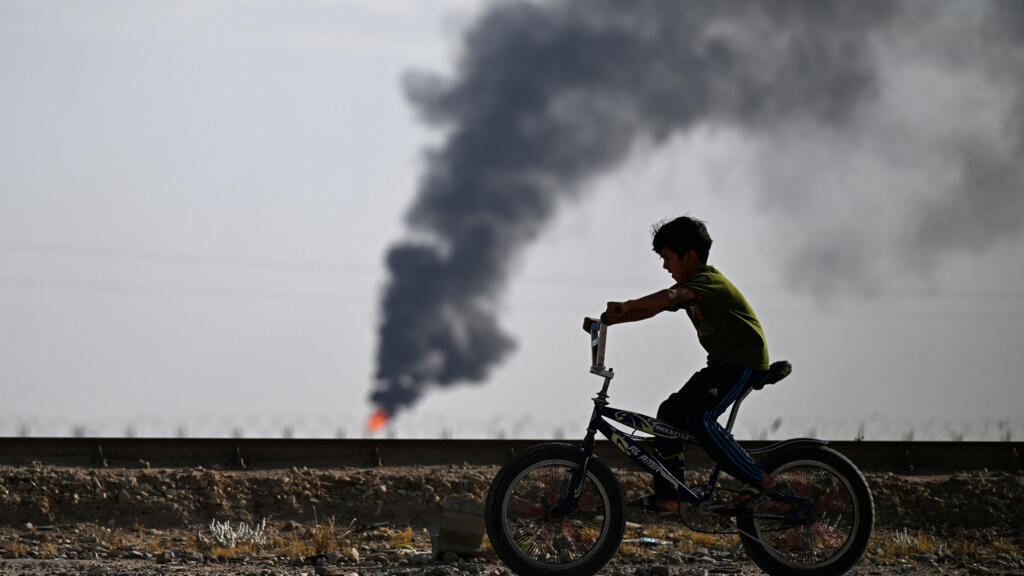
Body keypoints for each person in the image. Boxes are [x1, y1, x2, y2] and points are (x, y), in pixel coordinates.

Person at [584, 215, 777, 513]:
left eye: (667, 258)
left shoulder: (708, 282)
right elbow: (656, 308)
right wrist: (610, 319)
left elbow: (668, 297)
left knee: (701, 419)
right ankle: (670, 496)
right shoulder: (692, 288)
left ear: (689, 256)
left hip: (743, 363)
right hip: (720, 367)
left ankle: (763, 483)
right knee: (669, 414)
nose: (665, 266)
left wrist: (628, 304)